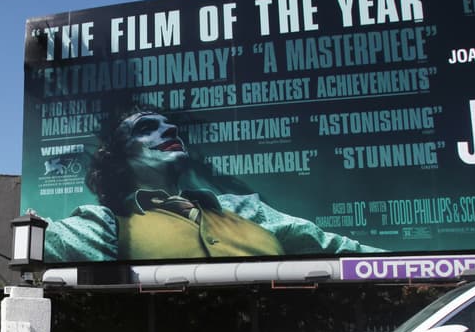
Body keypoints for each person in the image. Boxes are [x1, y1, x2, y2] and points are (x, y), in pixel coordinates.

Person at [44, 108, 380, 261]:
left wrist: (426, 269)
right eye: (147, 127)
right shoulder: (107, 226)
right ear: (117, 158)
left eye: (171, 125)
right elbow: (37, 240)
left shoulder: (244, 208)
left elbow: (336, 248)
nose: (171, 131)